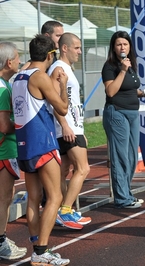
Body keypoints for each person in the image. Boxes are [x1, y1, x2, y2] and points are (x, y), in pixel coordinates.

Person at [11, 34, 70, 265]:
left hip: (24, 144)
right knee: (55, 196)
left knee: (33, 199)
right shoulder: (40, 77)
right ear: (49, 55)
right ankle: (41, 251)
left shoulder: (19, 77)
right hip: (42, 143)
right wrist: (63, 85)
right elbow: (63, 109)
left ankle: (37, 244)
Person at [101, 31, 145, 209]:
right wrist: (123, 70)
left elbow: (132, 90)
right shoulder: (110, 67)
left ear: (130, 46)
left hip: (133, 112)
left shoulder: (132, 66)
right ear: (114, 47)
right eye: (118, 44)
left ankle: (127, 193)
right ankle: (121, 198)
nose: (122, 47)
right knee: (120, 157)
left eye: (125, 44)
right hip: (116, 112)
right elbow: (111, 91)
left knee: (132, 157)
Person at [47, 33, 91, 230]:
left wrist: (80, 128)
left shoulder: (67, 70)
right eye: (77, 48)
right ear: (64, 48)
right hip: (67, 128)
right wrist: (65, 125)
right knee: (83, 168)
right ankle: (65, 210)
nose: (80, 52)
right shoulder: (58, 69)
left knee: (64, 171)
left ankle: (60, 211)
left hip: (73, 127)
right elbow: (53, 100)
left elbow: (71, 101)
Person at [0, 41, 27, 260]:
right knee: (3, 199)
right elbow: (4, 125)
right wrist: (23, 124)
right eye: (17, 57)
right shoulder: (2, 88)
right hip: (4, 151)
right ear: (9, 62)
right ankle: (1, 242)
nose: (19, 60)